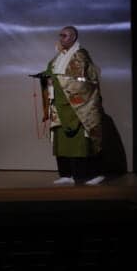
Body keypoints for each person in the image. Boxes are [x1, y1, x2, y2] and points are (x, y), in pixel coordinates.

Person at [41, 26, 105, 186]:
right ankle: (66, 174)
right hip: (60, 105)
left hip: (78, 107)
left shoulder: (81, 55)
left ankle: (88, 175)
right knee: (62, 142)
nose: (61, 38)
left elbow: (86, 81)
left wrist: (61, 81)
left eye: (65, 35)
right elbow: (52, 72)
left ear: (74, 38)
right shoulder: (58, 57)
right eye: (60, 35)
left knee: (81, 143)